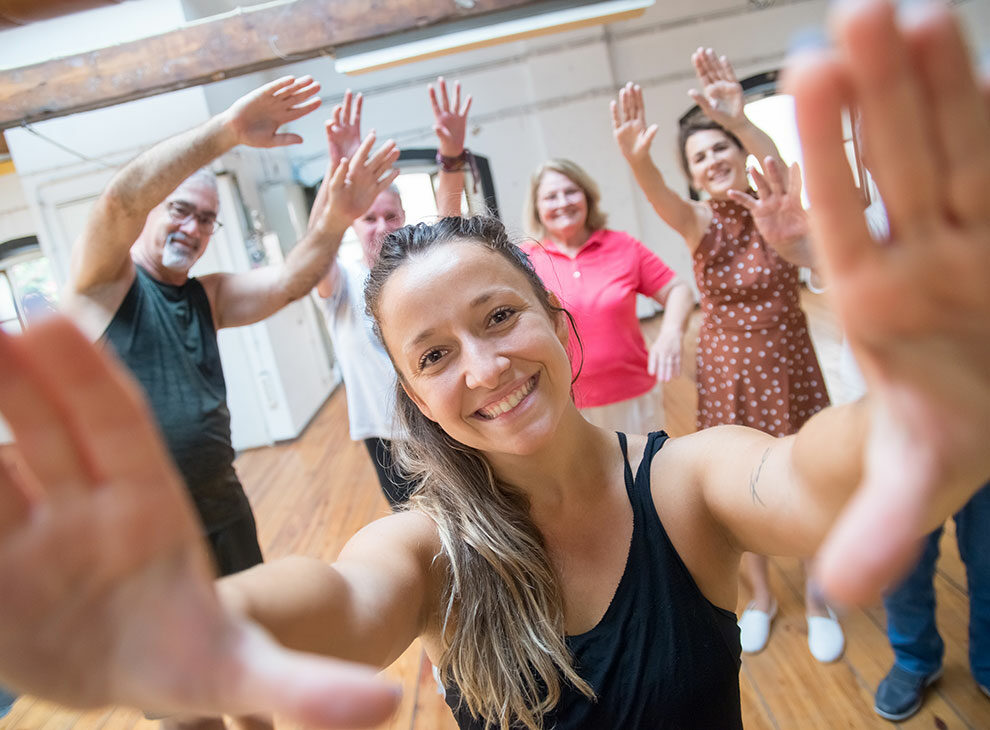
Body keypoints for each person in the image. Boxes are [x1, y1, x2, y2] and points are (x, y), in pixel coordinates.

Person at [0, 1, 988, 727]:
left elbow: (808, 476)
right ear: (414, 394)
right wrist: (175, 620)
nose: (482, 364)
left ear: (560, 327)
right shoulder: (429, 551)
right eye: (434, 352)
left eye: (501, 316)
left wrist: (932, 397)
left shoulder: (687, 481)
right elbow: (341, 602)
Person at [61, 75, 400, 730]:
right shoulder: (104, 284)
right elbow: (116, 200)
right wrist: (225, 132)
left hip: (221, 512)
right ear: (153, 211)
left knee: (246, 671)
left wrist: (336, 215)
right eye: (179, 209)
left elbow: (293, 276)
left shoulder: (204, 296)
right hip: (139, 540)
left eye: (206, 218)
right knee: (187, 702)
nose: (192, 225)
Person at [610, 48, 842, 660]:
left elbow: (773, 161)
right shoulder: (696, 223)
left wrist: (738, 118)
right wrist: (638, 160)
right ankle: (762, 596)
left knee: (811, 472)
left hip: (789, 357)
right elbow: (660, 195)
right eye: (699, 156)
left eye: (721, 149)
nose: (713, 160)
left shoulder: (777, 205)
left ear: (740, 157)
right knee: (748, 484)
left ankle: (820, 596)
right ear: (691, 173)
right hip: (729, 366)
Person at [312, 79, 470, 506]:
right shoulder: (342, 282)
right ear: (351, 224)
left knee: (469, 511)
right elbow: (314, 249)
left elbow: (450, 222)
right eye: (368, 218)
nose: (381, 226)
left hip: (439, 417)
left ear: (403, 217)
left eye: (390, 215)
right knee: (415, 525)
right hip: (384, 434)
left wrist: (452, 158)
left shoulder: (417, 274)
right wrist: (336, 173)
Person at [521, 159, 694, 434]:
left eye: (571, 192)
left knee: (643, 474)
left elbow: (679, 290)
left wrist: (671, 332)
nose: (562, 202)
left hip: (633, 395)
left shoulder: (622, 246)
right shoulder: (525, 260)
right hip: (563, 402)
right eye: (551, 197)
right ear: (537, 208)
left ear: (587, 197)